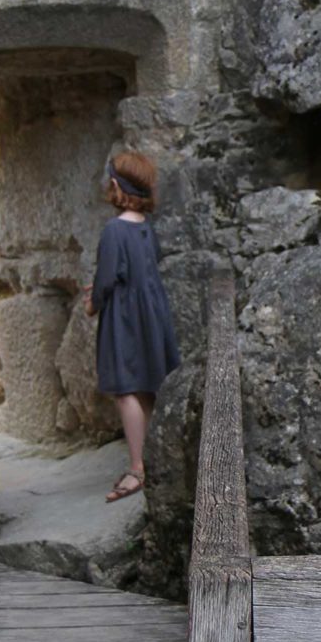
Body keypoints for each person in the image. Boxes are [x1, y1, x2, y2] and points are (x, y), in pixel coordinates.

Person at [85, 149, 180, 502]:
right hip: (151, 312)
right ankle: (152, 460)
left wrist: (93, 303)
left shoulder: (114, 229)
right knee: (146, 387)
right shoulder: (145, 227)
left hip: (124, 317)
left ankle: (138, 467)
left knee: (126, 389)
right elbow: (144, 266)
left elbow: (107, 277)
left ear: (114, 184)